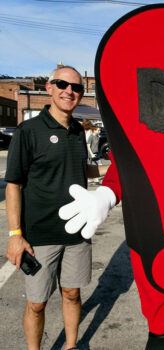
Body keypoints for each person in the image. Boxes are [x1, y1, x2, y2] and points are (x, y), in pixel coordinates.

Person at [5, 65, 106, 350]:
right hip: (40, 235)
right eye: (62, 84)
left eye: (76, 88)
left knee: (72, 293)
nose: (69, 91)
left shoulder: (77, 131)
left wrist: (115, 170)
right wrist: (15, 234)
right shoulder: (28, 131)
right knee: (37, 304)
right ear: (49, 87)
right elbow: (14, 184)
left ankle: (71, 345)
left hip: (77, 232)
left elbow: (79, 170)